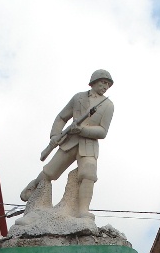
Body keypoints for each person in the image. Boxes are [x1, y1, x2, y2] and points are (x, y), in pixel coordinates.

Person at [20, 69, 114, 218]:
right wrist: (55, 135)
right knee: (50, 172)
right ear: (94, 82)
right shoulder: (78, 98)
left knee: (89, 173)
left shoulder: (108, 105)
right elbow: (61, 117)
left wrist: (82, 130)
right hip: (69, 141)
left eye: (108, 85)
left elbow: (102, 131)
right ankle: (34, 185)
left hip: (88, 146)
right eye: (103, 82)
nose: (105, 86)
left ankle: (83, 210)